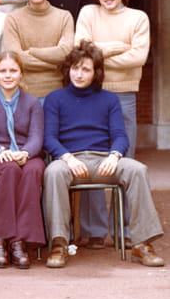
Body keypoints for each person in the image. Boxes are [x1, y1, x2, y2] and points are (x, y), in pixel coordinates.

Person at [43, 41, 164, 268]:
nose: (79, 74)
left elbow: (120, 135)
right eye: (75, 68)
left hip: (103, 160)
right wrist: (68, 158)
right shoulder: (54, 99)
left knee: (137, 169)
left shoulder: (109, 99)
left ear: (96, 73)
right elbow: (49, 138)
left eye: (86, 69)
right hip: (70, 161)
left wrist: (114, 155)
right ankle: (59, 244)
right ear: (68, 69)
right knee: (52, 172)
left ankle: (141, 244)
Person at [74, 0, 150, 247]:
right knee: (90, 157)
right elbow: (80, 50)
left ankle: (125, 231)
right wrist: (118, 47)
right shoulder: (88, 13)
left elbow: (138, 57)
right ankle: (94, 231)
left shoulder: (138, 18)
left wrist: (97, 56)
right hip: (92, 95)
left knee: (125, 161)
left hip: (124, 95)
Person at [0, 51, 46, 268]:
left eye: (13, 71)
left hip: (25, 154)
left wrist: (26, 153)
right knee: (10, 169)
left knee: (33, 170)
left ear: (21, 74)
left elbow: (36, 137)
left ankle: (19, 242)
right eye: (2, 71)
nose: (8, 75)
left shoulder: (32, 102)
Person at [3, 0, 75, 99]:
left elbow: (66, 54)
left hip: (57, 94)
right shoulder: (12, 19)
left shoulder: (64, 17)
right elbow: (17, 59)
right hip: (24, 96)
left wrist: (32, 51)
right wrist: (54, 62)